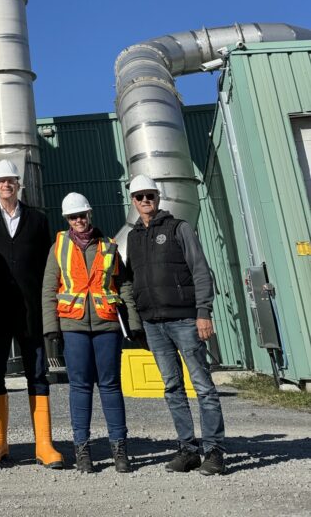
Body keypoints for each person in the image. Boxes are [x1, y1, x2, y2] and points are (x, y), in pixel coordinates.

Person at [123, 173, 226, 476]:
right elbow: (132, 280)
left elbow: (200, 270)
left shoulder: (178, 228)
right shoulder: (133, 237)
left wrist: (203, 312)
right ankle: (188, 450)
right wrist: (136, 319)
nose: (145, 201)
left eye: (149, 195)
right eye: (139, 196)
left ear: (158, 197)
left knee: (204, 387)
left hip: (185, 319)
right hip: (154, 323)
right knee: (172, 388)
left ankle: (215, 451)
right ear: (133, 201)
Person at [0, 159, 64, 469]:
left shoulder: (38, 220)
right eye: (1, 181)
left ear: (18, 184)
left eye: (11, 180)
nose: (6, 185)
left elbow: (48, 267)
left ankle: (44, 443)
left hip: (30, 310)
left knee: (37, 372)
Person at [42, 192, 140, 473]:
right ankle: (82, 450)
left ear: (90, 215)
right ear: (67, 220)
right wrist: (51, 329)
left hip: (106, 324)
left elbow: (123, 286)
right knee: (80, 387)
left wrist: (132, 321)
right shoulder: (58, 247)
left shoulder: (109, 246)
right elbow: (49, 289)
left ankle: (120, 449)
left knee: (110, 385)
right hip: (73, 326)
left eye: (82, 215)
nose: (79, 221)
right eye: (73, 217)